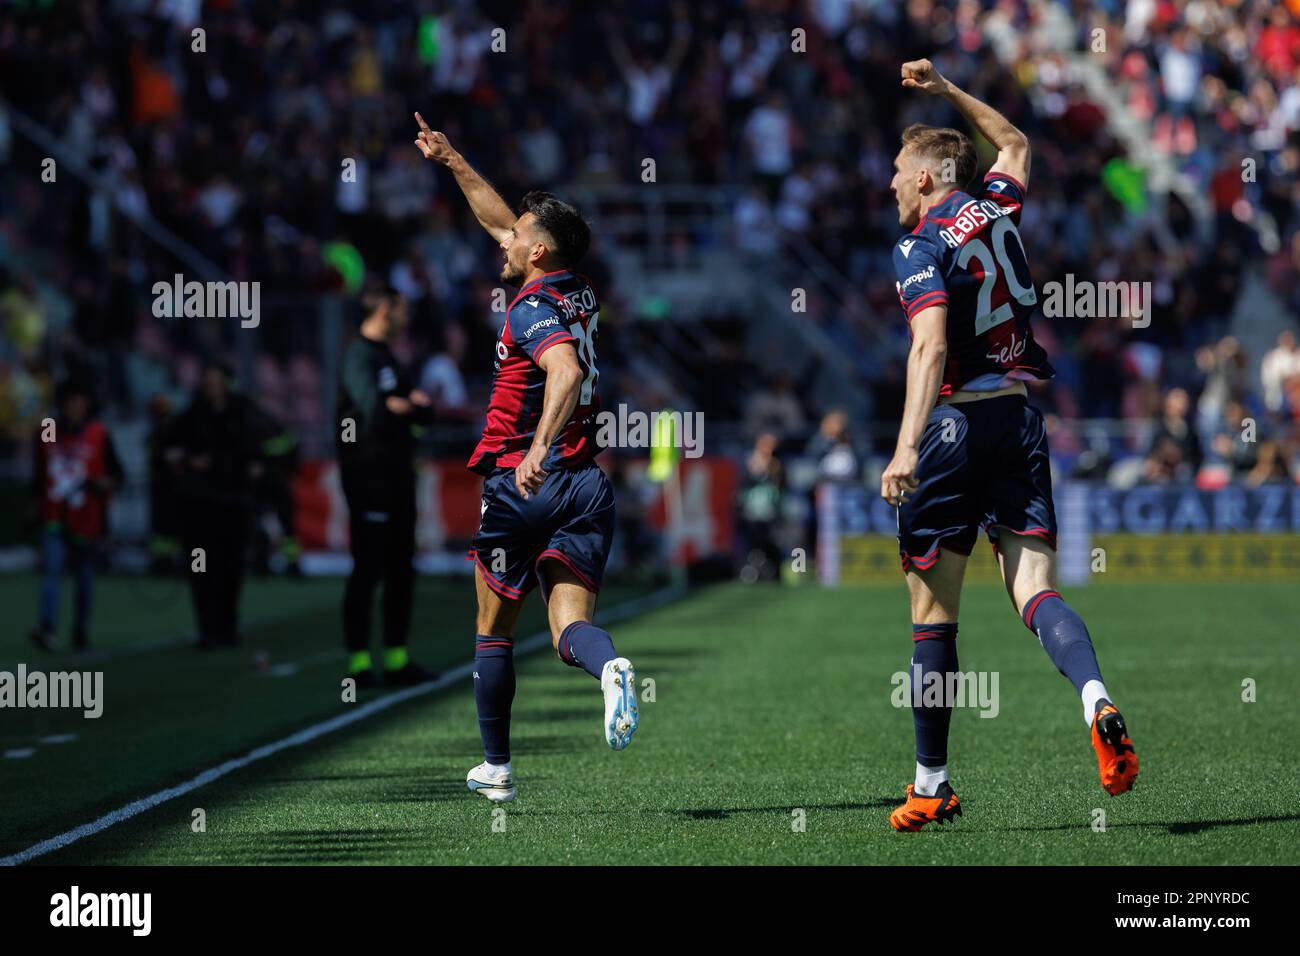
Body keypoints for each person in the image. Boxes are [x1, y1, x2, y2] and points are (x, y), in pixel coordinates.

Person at [879, 59, 1138, 832]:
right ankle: (1097, 698)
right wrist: (949, 90)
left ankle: (931, 784)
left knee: (933, 617)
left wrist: (904, 448)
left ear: (927, 179)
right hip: (1022, 422)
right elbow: (1016, 141)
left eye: (898, 172)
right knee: (1035, 591)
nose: (890, 184)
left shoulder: (918, 247)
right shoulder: (996, 207)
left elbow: (927, 349)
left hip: (956, 426)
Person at [414, 112, 637, 804]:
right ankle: (609, 670)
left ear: (538, 252)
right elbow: (499, 222)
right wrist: (453, 161)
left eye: (518, 237)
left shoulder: (530, 305)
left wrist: (535, 450)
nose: (504, 241)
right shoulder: (577, 288)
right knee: (571, 628)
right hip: (586, 485)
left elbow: (564, 374)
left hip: (524, 479)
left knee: (493, 627)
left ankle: (498, 768)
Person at [336, 288, 438, 688]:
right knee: (368, 568)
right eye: (401, 310)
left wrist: (407, 405)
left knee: (401, 569)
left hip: (398, 477)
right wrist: (403, 404)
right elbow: (373, 411)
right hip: (368, 478)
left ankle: (397, 659)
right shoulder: (358, 356)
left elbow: (422, 409)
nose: (405, 318)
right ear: (383, 310)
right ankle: (359, 664)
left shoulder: (390, 358)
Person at [166, 363, 264, 649]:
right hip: (199, 508)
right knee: (201, 570)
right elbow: (170, 447)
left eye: (215, 380)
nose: (211, 386)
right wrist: (184, 460)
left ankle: (227, 625)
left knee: (230, 568)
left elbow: (254, 452)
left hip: (232, 504)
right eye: (207, 381)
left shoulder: (241, 413)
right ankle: (207, 628)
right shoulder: (192, 414)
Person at [29, 381, 123, 652]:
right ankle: (47, 627)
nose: (75, 406)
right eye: (70, 401)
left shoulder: (98, 433)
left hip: (87, 518)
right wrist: (35, 503)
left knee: (84, 577)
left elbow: (117, 475)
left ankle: (80, 631)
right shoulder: (49, 430)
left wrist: (104, 484)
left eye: (79, 400)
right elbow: (41, 468)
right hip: (55, 516)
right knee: (51, 571)